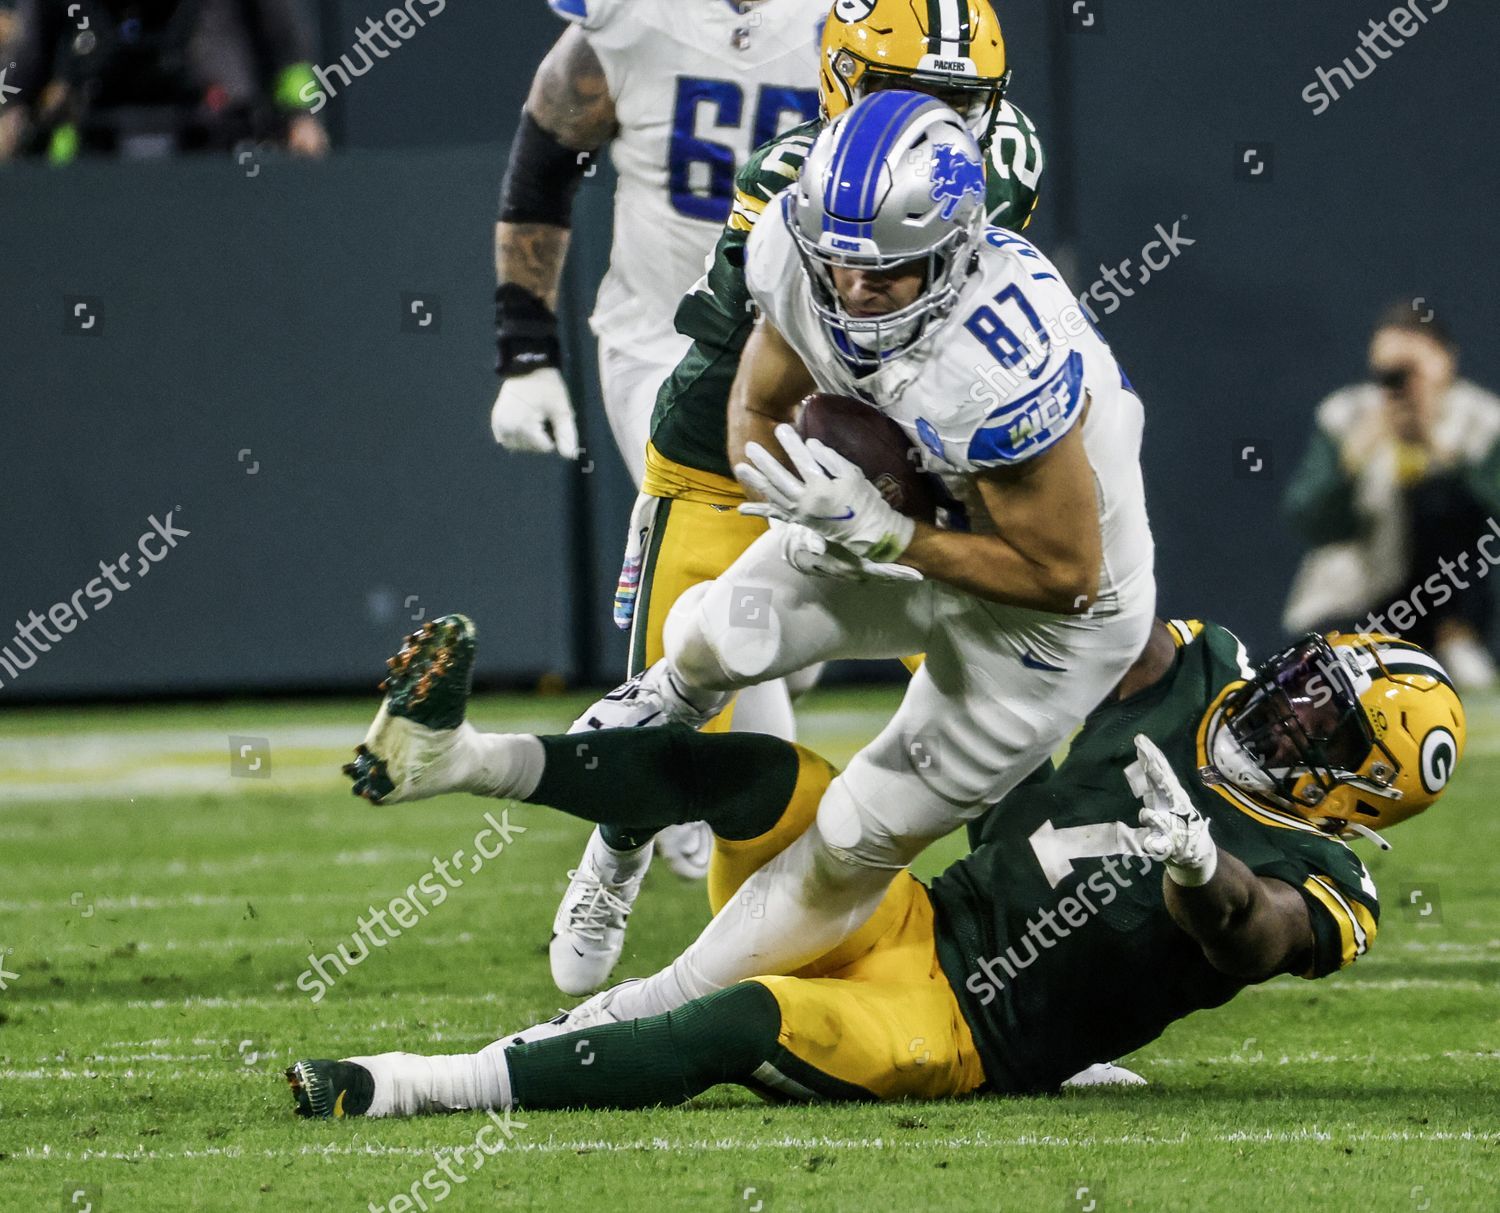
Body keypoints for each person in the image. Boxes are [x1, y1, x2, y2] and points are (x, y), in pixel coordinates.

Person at [300, 610, 1463, 1116]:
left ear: (1365, 790)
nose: (1295, 708)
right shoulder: (1203, 672)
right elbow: (1108, 610)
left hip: (963, 1033)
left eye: (1328, 727)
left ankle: (413, 1084)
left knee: (739, 1021)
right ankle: (461, 756)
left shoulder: (1329, 875)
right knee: (759, 771)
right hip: (909, 907)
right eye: (1312, 682)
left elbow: (1253, 932)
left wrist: (1202, 870)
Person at [549, 0, 1046, 995]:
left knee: (1012, 716)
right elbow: (760, 373)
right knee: (707, 728)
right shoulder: (790, 179)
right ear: (841, 79)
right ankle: (622, 839)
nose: (934, 124)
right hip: (729, 452)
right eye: (909, 95)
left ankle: (1030, 978)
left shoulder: (1006, 164)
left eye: (958, 102)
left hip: (896, 455)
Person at [489, 0, 825, 892]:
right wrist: (522, 346)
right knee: (727, 576)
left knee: (793, 596)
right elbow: (544, 163)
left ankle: (672, 772)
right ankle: (742, 824)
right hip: (665, 346)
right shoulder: (626, 19)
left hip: (818, 352)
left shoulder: (854, 23)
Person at [1283, 302, 1500, 690]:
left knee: (1440, 497)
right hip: (1359, 598)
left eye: (1409, 370)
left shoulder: (1482, 421)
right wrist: (1349, 463)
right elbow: (1311, 522)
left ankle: (1457, 637)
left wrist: (1439, 450)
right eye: (1389, 373)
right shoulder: (1347, 417)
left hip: (1452, 600)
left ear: (1445, 359)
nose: (1400, 384)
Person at [0, 0, 327, 161]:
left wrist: (300, 115)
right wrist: (9, 108)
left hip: (220, 132)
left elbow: (286, 42)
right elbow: (30, 46)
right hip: (96, 132)